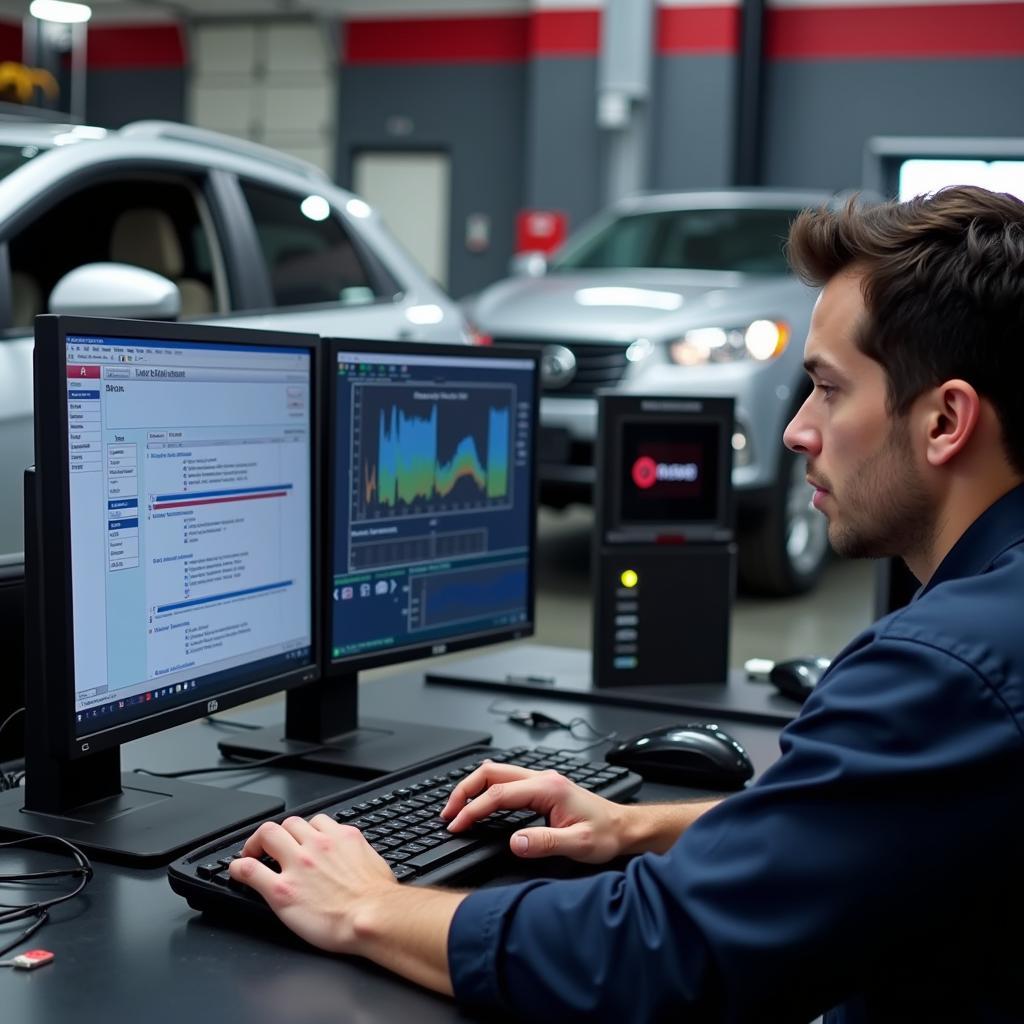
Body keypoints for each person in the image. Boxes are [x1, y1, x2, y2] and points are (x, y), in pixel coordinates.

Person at [228, 186, 1024, 1022]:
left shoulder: (947, 667)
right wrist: (635, 827)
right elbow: (869, 831)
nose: (797, 429)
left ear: (945, 421)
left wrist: (370, 906)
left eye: (827, 389)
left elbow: (659, 954)